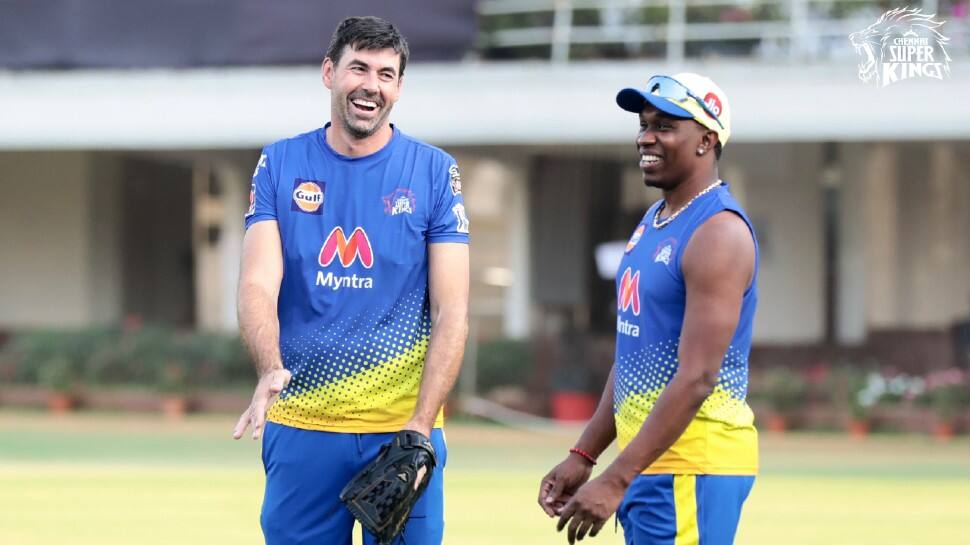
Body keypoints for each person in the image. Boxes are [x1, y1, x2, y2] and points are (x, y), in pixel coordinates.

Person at [231, 16, 470, 545]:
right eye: (358, 68)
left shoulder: (434, 171)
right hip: (302, 427)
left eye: (386, 74)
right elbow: (257, 284)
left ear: (400, 88)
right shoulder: (279, 162)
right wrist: (270, 367)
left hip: (403, 433)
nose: (371, 85)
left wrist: (422, 425)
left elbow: (451, 311)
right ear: (328, 73)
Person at [538, 73, 759, 545]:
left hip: (690, 466)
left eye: (664, 125)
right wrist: (585, 454)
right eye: (643, 124)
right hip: (650, 464)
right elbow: (634, 357)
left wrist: (616, 478)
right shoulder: (655, 221)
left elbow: (698, 376)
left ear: (706, 139)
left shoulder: (718, 232)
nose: (645, 136)